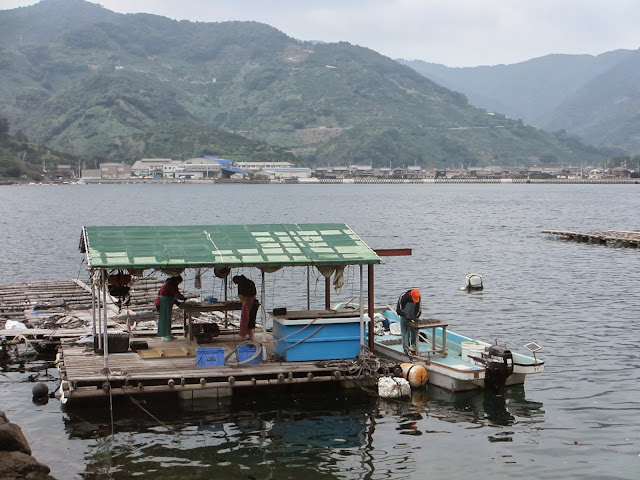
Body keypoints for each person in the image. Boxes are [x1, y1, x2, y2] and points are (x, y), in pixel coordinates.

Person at [155, 276, 186, 341]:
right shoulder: (170, 285)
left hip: (168, 301)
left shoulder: (172, 284)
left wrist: (177, 301)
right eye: (179, 282)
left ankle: (168, 334)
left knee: (168, 319)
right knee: (165, 319)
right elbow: (177, 295)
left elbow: (174, 295)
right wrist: (183, 298)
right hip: (164, 302)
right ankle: (164, 335)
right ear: (176, 281)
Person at [232, 274, 258, 341]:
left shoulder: (241, 284)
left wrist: (242, 301)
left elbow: (240, 295)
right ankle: (251, 337)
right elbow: (255, 293)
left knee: (245, 318)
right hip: (255, 302)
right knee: (252, 319)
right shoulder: (251, 282)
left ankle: (243, 335)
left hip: (247, 301)